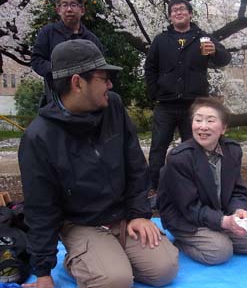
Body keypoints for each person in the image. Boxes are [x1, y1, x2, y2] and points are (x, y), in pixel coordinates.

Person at [19, 40, 178, 288]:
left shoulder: (113, 106)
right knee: (114, 281)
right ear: (77, 82)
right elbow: (40, 208)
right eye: (103, 78)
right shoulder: (39, 137)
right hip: (82, 224)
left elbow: (136, 165)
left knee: (164, 270)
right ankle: (83, 259)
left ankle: (108, 255)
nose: (110, 84)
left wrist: (139, 214)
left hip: (123, 215)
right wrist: (43, 273)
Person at [157, 97, 247, 265]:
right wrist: (224, 222)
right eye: (198, 120)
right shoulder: (180, 158)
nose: (202, 126)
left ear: (223, 128)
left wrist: (238, 212)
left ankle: (217, 233)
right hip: (185, 217)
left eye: (210, 120)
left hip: (216, 213)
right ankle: (182, 242)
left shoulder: (232, 151)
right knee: (221, 251)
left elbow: (238, 191)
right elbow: (189, 208)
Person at [144, 0, 231, 197]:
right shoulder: (161, 40)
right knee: (158, 146)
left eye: (182, 9)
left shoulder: (202, 38)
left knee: (194, 147)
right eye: (174, 10)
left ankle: (194, 187)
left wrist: (215, 50)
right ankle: (153, 188)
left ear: (190, 14)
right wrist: (155, 93)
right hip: (165, 103)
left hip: (194, 106)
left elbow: (224, 59)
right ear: (170, 16)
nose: (178, 13)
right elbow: (150, 68)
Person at [31, 0, 103, 106]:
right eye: (64, 5)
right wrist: (58, 71)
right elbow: (36, 60)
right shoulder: (47, 33)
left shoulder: (92, 39)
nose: (69, 9)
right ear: (58, 10)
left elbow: (100, 68)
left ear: (82, 10)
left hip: (87, 99)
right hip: (56, 97)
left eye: (73, 5)